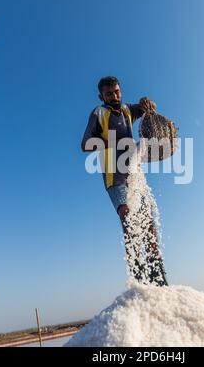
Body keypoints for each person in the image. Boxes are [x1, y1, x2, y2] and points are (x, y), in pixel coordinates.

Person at [81, 76, 168, 286]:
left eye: (117, 92)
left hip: (135, 176)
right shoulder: (99, 113)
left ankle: (159, 277)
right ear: (101, 96)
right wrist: (111, 141)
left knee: (147, 223)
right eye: (109, 93)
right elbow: (85, 145)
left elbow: (146, 107)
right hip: (114, 178)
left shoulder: (129, 111)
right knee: (128, 219)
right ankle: (138, 278)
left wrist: (148, 102)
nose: (114, 96)